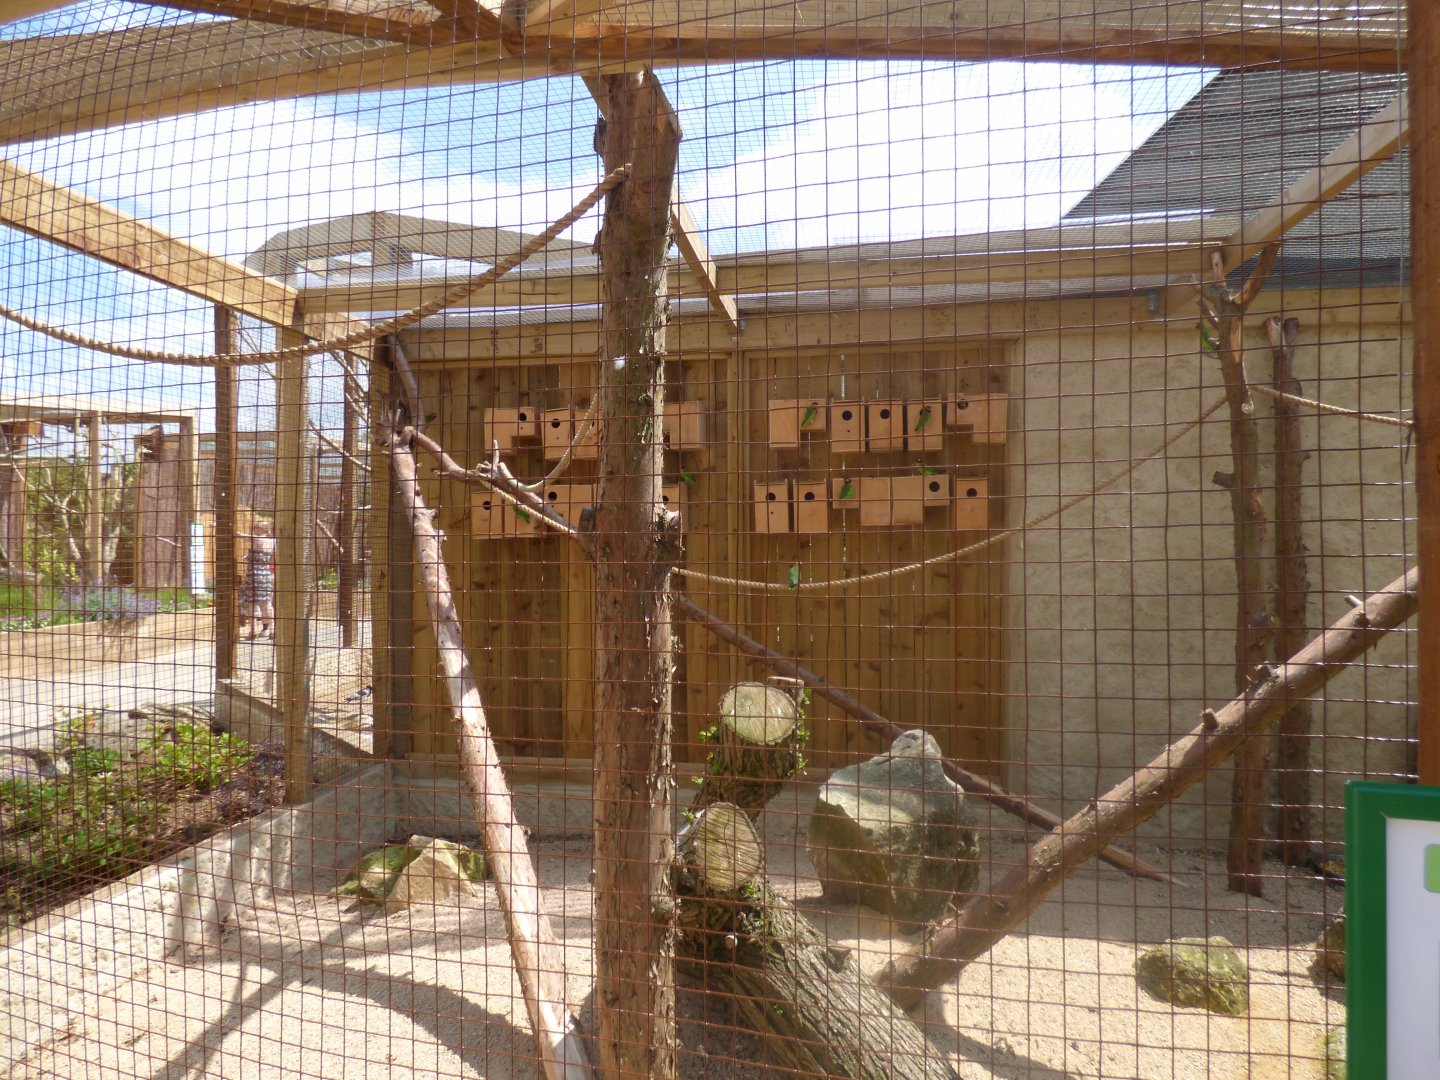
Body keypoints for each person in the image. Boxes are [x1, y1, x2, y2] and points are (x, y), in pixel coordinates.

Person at [239, 519, 276, 640]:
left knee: (252, 603)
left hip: (254, 574)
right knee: (267, 604)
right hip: (266, 574)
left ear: (262, 529)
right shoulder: (272, 541)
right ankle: (272, 630)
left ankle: (253, 631)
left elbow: (239, 535)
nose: (254, 529)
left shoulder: (257, 539)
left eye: (256, 528)